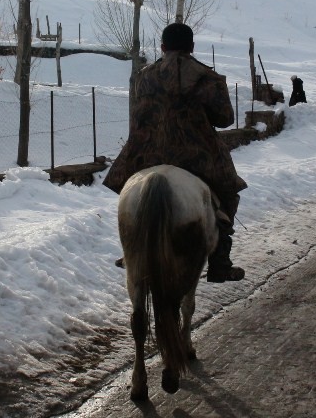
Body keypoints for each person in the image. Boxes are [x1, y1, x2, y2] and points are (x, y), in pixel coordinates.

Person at [103, 22, 248, 282]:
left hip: (146, 152)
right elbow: (225, 119)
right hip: (196, 155)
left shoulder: (144, 76)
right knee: (228, 190)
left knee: (130, 191)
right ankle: (220, 261)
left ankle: (132, 249)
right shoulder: (208, 78)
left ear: (162, 47)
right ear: (191, 47)